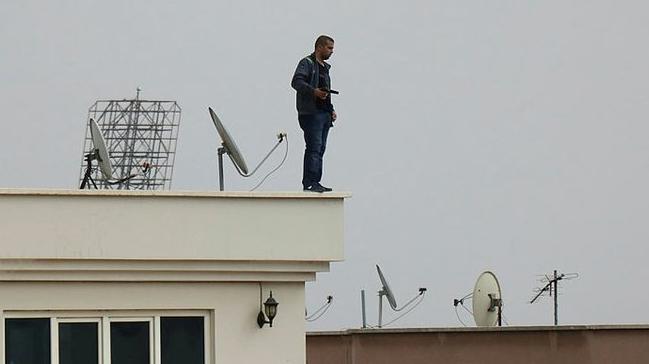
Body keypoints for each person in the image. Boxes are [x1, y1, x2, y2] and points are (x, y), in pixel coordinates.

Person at [291, 35, 338, 193]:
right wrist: (314, 92)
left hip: (323, 114)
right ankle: (310, 183)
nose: (332, 51)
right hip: (311, 114)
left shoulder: (325, 68)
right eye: (329, 48)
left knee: (320, 148)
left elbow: (325, 91)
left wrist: (331, 110)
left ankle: (315, 181)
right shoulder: (307, 63)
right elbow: (296, 82)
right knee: (314, 147)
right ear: (320, 47)